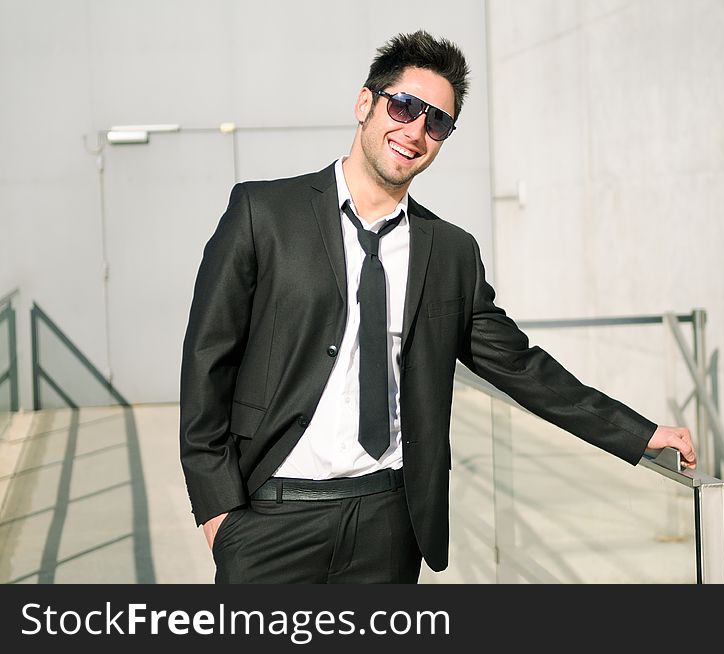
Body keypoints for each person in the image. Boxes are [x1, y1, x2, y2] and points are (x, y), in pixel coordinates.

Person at [179, 30, 696, 584]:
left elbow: (522, 367)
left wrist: (638, 433)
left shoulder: (449, 251)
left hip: (389, 522)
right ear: (365, 103)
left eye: (437, 123)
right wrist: (219, 514)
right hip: (270, 516)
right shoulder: (264, 214)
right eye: (404, 106)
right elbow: (208, 361)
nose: (415, 132)